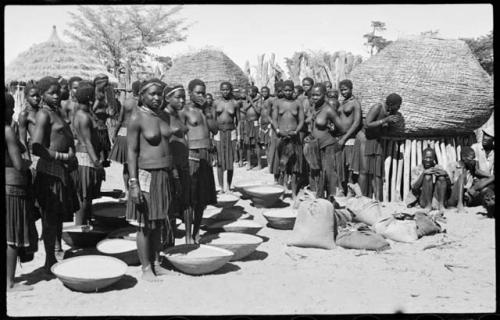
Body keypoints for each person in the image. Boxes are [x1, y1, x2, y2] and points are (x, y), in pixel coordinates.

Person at [126, 79, 176, 281]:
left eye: (159, 94)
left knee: (159, 220)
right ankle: (146, 268)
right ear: (142, 95)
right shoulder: (137, 118)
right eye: (152, 94)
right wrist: (133, 182)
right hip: (146, 174)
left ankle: (156, 262)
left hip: (163, 173)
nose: (157, 98)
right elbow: (131, 152)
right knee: (145, 224)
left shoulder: (164, 115)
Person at [31, 76, 80, 271]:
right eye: (51, 92)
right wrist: (62, 156)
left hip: (62, 171)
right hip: (50, 172)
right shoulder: (44, 114)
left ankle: (57, 250)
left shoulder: (57, 111)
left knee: (58, 216)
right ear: (42, 94)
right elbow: (36, 147)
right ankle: (49, 260)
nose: (56, 95)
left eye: (57, 91)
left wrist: (72, 157)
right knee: (50, 218)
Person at [5, 93, 38, 292]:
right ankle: (10, 282)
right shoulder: (7, 131)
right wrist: (28, 163)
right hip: (12, 186)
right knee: (12, 236)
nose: (13, 112)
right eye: (10, 108)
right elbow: (18, 164)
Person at [181, 79, 218, 242]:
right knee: (190, 197)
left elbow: (214, 129)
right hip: (191, 155)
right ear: (190, 93)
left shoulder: (207, 110)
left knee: (202, 198)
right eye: (198, 92)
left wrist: (208, 110)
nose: (201, 95)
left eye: (203, 92)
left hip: (205, 155)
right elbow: (179, 135)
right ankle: (188, 234)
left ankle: (197, 231)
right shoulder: (184, 111)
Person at [73, 81, 106, 225]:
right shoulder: (84, 117)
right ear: (89, 98)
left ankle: (85, 225)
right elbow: (88, 142)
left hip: (84, 157)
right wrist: (97, 164)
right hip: (86, 158)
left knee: (86, 196)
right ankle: (81, 228)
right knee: (84, 198)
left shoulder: (82, 113)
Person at [163, 84, 192, 244]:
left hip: (184, 164)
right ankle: (170, 241)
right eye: (178, 97)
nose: (182, 100)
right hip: (172, 168)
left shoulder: (178, 115)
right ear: (167, 98)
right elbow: (164, 146)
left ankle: (188, 238)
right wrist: (173, 170)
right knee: (172, 204)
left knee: (187, 201)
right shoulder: (163, 118)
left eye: (183, 97)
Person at [362, 93, 403, 201]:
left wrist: (392, 124)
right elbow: (367, 124)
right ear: (390, 104)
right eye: (397, 106)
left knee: (377, 172)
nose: (398, 108)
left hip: (377, 141)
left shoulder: (390, 112)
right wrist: (385, 120)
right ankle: (363, 198)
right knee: (365, 171)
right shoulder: (377, 107)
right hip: (366, 140)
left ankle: (378, 201)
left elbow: (386, 130)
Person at [304, 83, 340, 199]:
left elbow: (342, 127)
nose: (314, 97)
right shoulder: (315, 107)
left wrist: (332, 130)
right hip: (316, 145)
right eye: (313, 95)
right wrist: (310, 135)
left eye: (317, 95)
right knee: (317, 173)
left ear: (324, 95)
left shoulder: (328, 109)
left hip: (328, 145)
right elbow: (314, 125)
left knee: (328, 173)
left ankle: (330, 199)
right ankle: (319, 199)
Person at [272, 80, 305, 199]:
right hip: (281, 137)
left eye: (290, 90)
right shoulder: (277, 103)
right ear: (282, 91)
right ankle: (281, 192)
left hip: (294, 138)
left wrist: (296, 131)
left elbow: (301, 120)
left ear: (293, 90)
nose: (288, 92)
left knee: (295, 167)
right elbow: (274, 119)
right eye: (285, 90)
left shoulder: (297, 103)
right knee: (282, 165)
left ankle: (294, 193)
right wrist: (277, 130)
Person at [110, 80, 141, 194]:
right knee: (135, 164)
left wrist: (114, 134)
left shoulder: (127, 102)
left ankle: (127, 190)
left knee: (126, 165)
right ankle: (136, 189)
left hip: (122, 134)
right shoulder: (141, 103)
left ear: (133, 90)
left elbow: (120, 120)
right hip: (135, 135)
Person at [332, 79, 363, 196]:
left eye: (345, 89)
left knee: (349, 166)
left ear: (351, 89)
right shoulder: (342, 103)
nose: (343, 92)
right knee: (340, 165)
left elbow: (356, 122)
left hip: (349, 138)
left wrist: (345, 138)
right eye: (341, 90)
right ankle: (341, 188)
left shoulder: (355, 103)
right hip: (339, 137)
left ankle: (350, 190)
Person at [447, 146, 495, 217]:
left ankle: (491, 204)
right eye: (472, 158)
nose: (474, 160)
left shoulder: (472, 166)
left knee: (485, 183)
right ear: (464, 158)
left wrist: (490, 176)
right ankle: (460, 205)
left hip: (467, 197)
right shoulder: (453, 165)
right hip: (454, 197)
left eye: (474, 157)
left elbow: (478, 172)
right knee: (462, 177)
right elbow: (449, 184)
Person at [213, 82, 240, 192]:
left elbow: (238, 121)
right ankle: (221, 186)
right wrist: (212, 135)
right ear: (220, 90)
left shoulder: (235, 103)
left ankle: (228, 185)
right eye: (223, 89)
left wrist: (238, 136)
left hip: (231, 131)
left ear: (231, 90)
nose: (225, 91)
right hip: (219, 132)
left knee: (230, 160)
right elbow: (213, 120)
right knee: (220, 160)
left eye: (227, 89)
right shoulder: (216, 103)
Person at [406, 148, 451, 212]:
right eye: (426, 157)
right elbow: (414, 187)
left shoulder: (438, 168)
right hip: (424, 199)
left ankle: (441, 206)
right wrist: (423, 174)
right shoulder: (417, 169)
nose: (428, 160)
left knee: (441, 177)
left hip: (437, 198)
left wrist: (446, 175)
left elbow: (449, 186)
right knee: (427, 176)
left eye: (430, 158)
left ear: (434, 159)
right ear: (422, 157)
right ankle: (428, 206)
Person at [266, 81, 285, 183]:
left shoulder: (288, 101)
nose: (280, 92)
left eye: (282, 90)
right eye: (278, 90)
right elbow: (268, 115)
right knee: (275, 153)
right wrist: (273, 123)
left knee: (285, 153)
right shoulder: (271, 101)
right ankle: (276, 178)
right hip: (275, 131)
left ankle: (284, 177)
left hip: (286, 129)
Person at [18, 82, 42, 161]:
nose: (36, 98)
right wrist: (28, 160)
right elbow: (22, 140)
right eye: (32, 96)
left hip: (49, 152)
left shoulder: (43, 111)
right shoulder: (24, 114)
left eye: (38, 95)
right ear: (26, 97)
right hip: (36, 154)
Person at [92, 74, 112, 167]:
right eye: (105, 85)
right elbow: (92, 111)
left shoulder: (103, 95)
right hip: (98, 128)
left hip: (102, 127)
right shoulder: (97, 97)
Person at [242, 86, 262, 170]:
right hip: (247, 123)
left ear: (255, 92)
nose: (249, 93)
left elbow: (258, 111)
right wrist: (250, 101)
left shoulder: (259, 100)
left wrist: (252, 102)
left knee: (257, 143)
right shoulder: (247, 100)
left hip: (255, 123)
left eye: (250, 91)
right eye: (248, 91)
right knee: (248, 144)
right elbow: (244, 109)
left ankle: (259, 164)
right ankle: (249, 163)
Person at [258, 86, 272, 163]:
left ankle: (271, 163)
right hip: (263, 124)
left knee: (270, 144)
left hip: (269, 124)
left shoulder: (271, 100)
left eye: (265, 91)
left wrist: (271, 124)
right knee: (266, 145)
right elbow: (260, 113)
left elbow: (273, 113)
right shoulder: (261, 101)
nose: (264, 93)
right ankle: (269, 163)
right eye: (262, 92)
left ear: (269, 92)